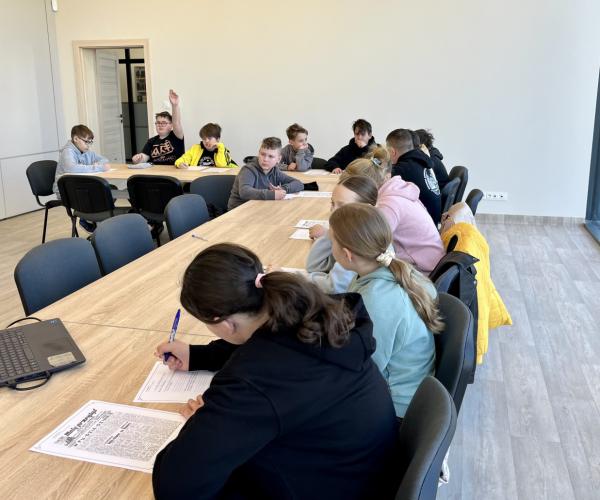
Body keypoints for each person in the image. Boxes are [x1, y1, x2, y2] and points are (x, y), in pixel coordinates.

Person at [152, 243, 400, 499]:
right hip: (364, 472)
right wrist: (197, 355)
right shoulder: (317, 315)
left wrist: (201, 422)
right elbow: (272, 346)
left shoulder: (253, 380)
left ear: (224, 324)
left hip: (334, 484)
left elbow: (174, 487)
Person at [329, 203, 442, 418]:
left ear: (347, 254)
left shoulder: (377, 301)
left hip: (395, 408)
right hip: (404, 389)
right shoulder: (383, 272)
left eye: (330, 241)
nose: (329, 245)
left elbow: (364, 368)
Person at [344, 147, 445, 274]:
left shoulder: (389, 205)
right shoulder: (396, 190)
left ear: (364, 189)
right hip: (428, 263)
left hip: (423, 272)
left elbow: (364, 247)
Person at [304, 175, 379, 293]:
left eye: (342, 206)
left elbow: (334, 287)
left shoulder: (359, 241)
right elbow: (313, 266)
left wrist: (295, 279)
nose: (333, 211)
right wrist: (331, 232)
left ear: (366, 209)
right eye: (332, 203)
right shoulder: (351, 231)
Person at [53, 124, 110, 232]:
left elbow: (104, 160)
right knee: (101, 193)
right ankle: (87, 220)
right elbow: (72, 168)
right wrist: (96, 167)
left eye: (90, 142)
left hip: (79, 187)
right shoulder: (68, 151)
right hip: (65, 191)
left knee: (108, 190)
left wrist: (99, 164)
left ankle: (92, 221)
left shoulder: (86, 152)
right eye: (86, 142)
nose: (88, 145)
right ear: (76, 139)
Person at [228, 137, 304, 210]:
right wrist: (272, 194)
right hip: (239, 211)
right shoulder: (248, 170)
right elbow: (245, 192)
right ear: (258, 153)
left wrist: (283, 189)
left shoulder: (274, 171)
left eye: (271, 156)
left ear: (278, 159)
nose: (265, 159)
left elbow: (299, 184)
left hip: (260, 208)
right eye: (262, 154)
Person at [387, 128, 442, 225]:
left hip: (424, 226)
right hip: (433, 220)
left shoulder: (402, 169)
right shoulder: (421, 159)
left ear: (392, 152)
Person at [131, 89, 184, 165]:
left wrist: (174, 105)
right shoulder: (151, 141)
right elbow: (144, 158)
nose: (160, 125)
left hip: (174, 170)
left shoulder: (176, 136)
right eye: (158, 123)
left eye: (164, 123)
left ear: (171, 125)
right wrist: (137, 159)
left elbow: (176, 122)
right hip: (156, 170)